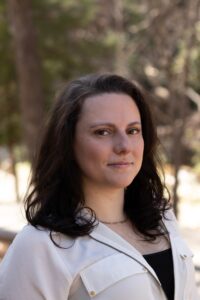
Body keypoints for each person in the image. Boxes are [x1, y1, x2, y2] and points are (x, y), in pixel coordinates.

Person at [0, 74, 199, 300]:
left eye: (133, 130)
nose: (124, 146)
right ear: (67, 143)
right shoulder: (41, 245)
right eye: (103, 132)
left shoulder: (163, 219)